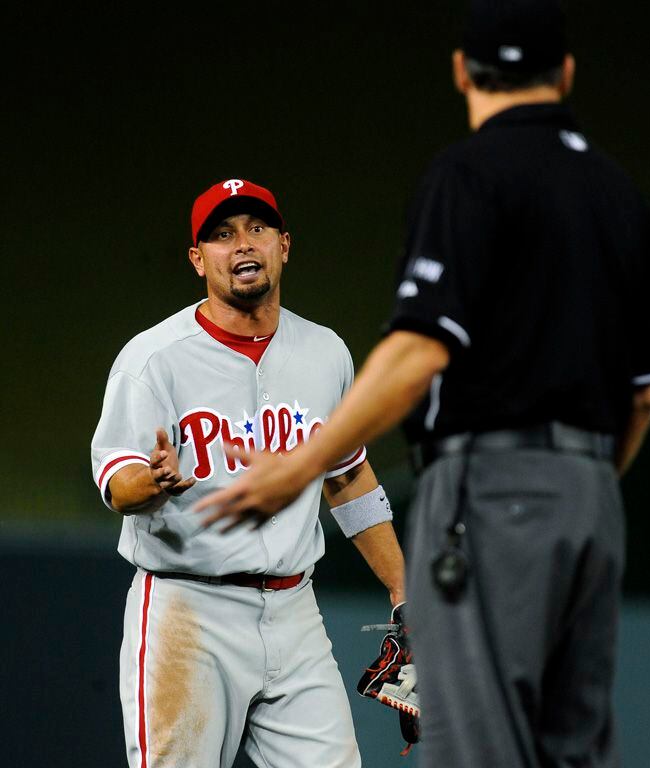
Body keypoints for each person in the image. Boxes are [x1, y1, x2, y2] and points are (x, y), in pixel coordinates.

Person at [195, 3, 650, 767]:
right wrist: (573, 484)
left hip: (491, 490)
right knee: (572, 749)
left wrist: (297, 466)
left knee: (476, 748)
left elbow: (420, 350)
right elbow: (645, 394)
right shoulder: (619, 194)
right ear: (567, 73)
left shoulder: (468, 176)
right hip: (591, 501)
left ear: (461, 71)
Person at [90, 177, 407, 768]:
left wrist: (401, 585)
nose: (242, 245)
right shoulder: (153, 359)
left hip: (296, 612)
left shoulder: (325, 353)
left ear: (284, 245)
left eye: (256, 229)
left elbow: (348, 477)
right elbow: (116, 483)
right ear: (197, 259)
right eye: (221, 234)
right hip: (189, 613)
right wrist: (149, 483)